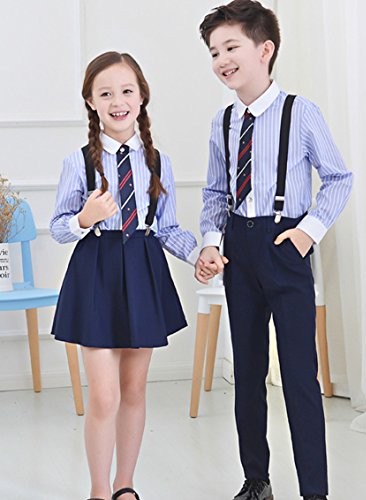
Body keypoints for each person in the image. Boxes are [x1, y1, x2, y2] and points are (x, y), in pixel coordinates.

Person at [195, 1, 353, 499]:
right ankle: (256, 480)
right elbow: (215, 192)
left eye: (231, 47)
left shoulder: (300, 112)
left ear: (265, 49)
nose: (222, 59)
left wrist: (308, 232)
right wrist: (212, 243)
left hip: (285, 246)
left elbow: (339, 178)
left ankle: (314, 491)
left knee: (300, 374)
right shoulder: (223, 122)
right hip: (238, 250)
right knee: (247, 371)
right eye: (214, 52)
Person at [50, 51, 200, 500]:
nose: (117, 101)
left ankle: (124, 486)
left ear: (142, 97)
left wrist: (199, 256)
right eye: (106, 93)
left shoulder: (159, 162)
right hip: (95, 273)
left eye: (126, 91)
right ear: (91, 102)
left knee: (134, 390)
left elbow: (167, 228)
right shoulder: (78, 163)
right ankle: (98, 490)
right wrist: (85, 217)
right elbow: (58, 227)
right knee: (104, 396)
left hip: (142, 270)